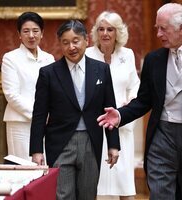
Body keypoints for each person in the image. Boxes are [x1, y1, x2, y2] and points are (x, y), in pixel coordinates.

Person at [97, 3, 182, 200]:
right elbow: (144, 100)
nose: (159, 34)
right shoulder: (154, 59)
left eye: (164, 28)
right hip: (162, 135)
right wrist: (120, 114)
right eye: (157, 28)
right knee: (160, 193)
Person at [29, 19, 120, 200]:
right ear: (60, 45)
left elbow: (110, 110)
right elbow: (39, 115)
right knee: (63, 195)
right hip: (60, 143)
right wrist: (36, 150)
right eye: (65, 42)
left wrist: (113, 145)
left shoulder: (101, 70)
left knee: (88, 195)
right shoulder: (48, 73)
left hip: (91, 142)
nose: (71, 47)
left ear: (86, 40)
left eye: (76, 41)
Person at [86, 11, 140, 200]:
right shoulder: (87, 55)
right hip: (97, 125)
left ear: (118, 32)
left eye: (110, 29)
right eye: (101, 29)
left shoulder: (128, 54)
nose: (105, 33)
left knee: (124, 183)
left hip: (121, 123)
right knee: (95, 183)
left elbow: (135, 86)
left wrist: (129, 104)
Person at [1, 12, 55, 161]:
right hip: (20, 123)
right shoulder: (10, 58)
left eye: (35, 31)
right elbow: (12, 95)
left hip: (47, 124)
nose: (31, 35)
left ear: (42, 33)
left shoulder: (49, 59)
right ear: (19, 34)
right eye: (26, 31)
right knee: (24, 169)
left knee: (44, 170)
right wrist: (39, 116)